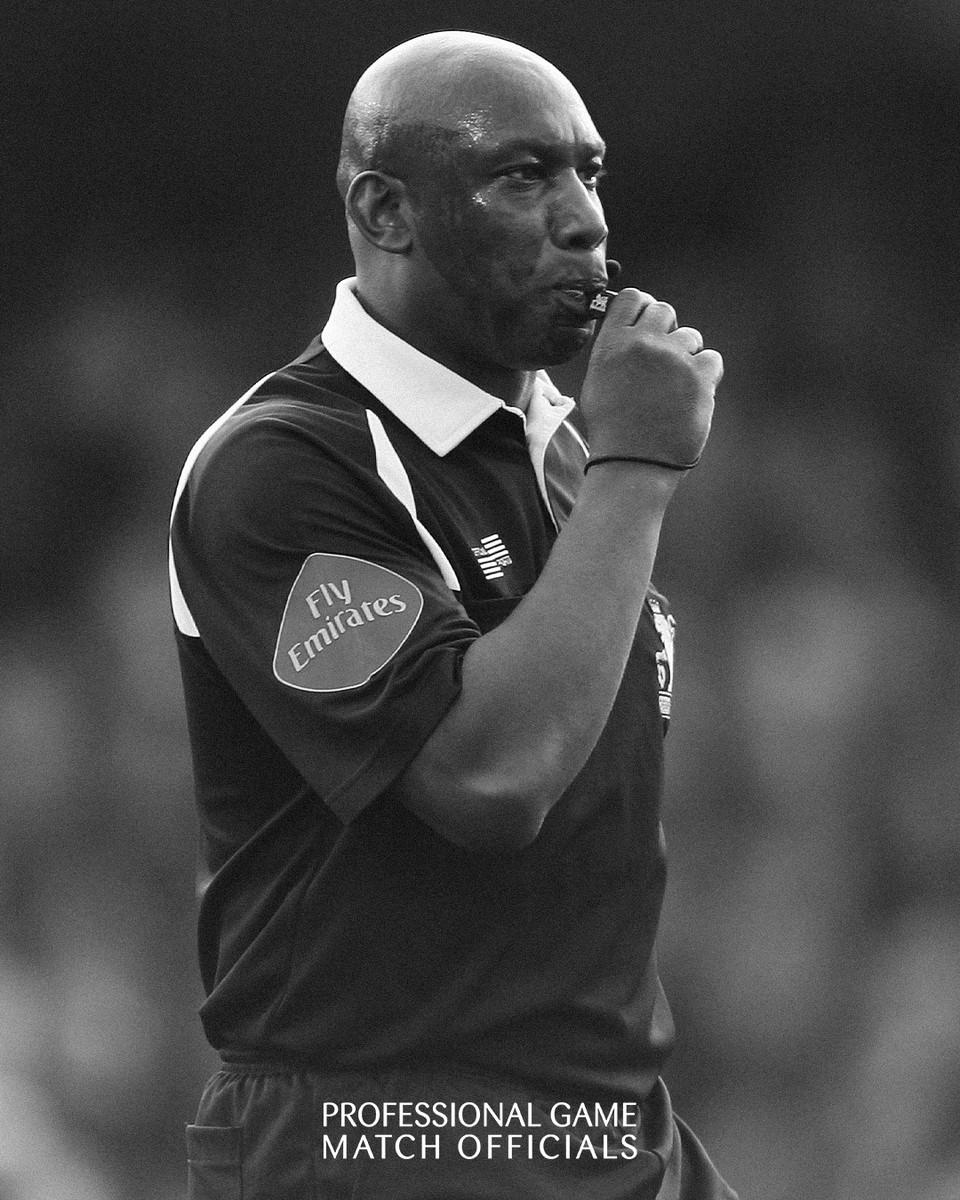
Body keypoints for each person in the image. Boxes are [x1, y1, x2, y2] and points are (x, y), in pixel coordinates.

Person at [169, 29, 734, 1200]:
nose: (583, 220)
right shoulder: (280, 467)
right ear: (386, 212)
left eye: (588, 173)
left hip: (605, 1120)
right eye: (521, 177)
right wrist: (637, 473)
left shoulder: (563, 449)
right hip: (382, 1131)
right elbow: (490, 778)